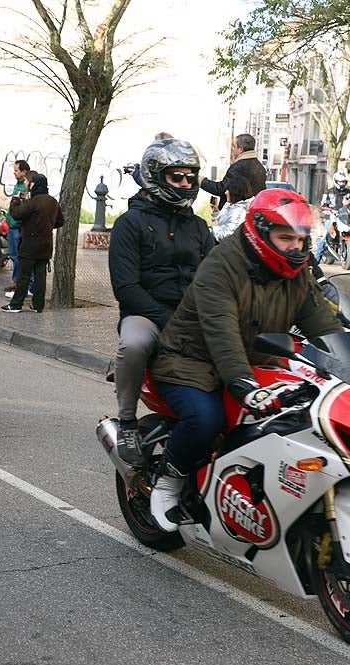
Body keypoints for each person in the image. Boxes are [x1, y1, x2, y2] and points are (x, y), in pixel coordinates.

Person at [148, 188, 344, 531]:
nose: (296, 248)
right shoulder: (221, 266)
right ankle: (168, 480)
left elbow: (324, 324)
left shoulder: (296, 274)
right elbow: (222, 333)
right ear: (259, 231)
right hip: (190, 362)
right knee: (205, 419)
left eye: (301, 239)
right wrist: (244, 383)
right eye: (286, 238)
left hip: (257, 364)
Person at [107, 138, 216, 464]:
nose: (185, 184)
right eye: (176, 177)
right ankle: (127, 421)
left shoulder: (198, 226)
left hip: (192, 314)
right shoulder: (130, 224)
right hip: (146, 313)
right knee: (135, 345)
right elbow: (126, 287)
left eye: (190, 177)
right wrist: (168, 319)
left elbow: (215, 273)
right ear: (156, 176)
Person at [2, 172, 63, 314]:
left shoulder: (33, 202)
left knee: (24, 276)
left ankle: (16, 304)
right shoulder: (53, 202)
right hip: (46, 245)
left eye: (27, 181)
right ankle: (38, 305)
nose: (25, 184)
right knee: (40, 276)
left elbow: (16, 214)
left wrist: (16, 200)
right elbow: (60, 221)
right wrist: (46, 226)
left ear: (33, 184)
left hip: (29, 245)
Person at [201, 133, 267, 204]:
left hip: (235, 211)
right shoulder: (260, 167)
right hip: (252, 210)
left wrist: (202, 181)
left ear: (241, 149)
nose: (232, 149)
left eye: (233, 146)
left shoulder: (238, 167)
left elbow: (222, 189)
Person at [314, 172, 350, 264]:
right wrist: (330, 210)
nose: (342, 184)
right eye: (340, 182)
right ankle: (315, 261)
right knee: (324, 237)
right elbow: (322, 205)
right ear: (336, 181)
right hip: (332, 216)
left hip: (344, 216)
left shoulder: (349, 193)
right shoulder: (329, 192)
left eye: (344, 182)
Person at [3, 160, 31, 297]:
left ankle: (22, 283)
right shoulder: (18, 185)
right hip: (12, 225)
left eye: (16, 171)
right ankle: (16, 281)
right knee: (14, 256)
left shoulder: (25, 187)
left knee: (19, 257)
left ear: (24, 172)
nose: (14, 173)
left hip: (17, 226)